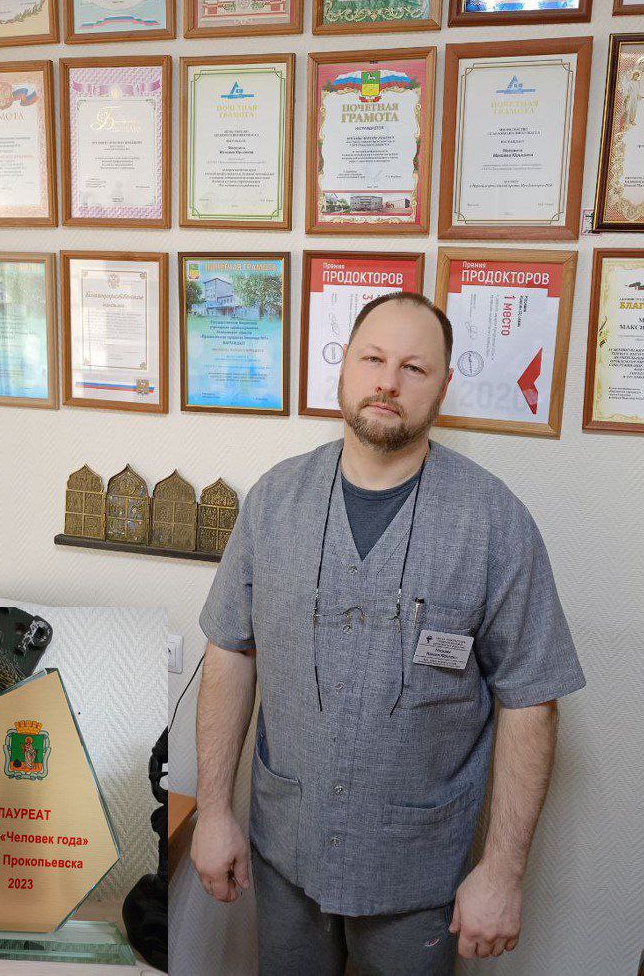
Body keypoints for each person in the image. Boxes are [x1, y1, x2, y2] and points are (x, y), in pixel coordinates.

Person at [192, 292, 585, 974]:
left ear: (443, 387)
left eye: (414, 367)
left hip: (418, 877)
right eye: (372, 359)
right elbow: (230, 649)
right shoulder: (273, 502)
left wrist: (502, 871)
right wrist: (213, 811)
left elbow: (532, 701)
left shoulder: (493, 523)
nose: (388, 382)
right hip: (285, 851)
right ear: (343, 367)